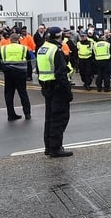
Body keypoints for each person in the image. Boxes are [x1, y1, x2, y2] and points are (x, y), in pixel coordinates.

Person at [36, 26, 74, 157]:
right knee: (59, 119)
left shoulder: (42, 48)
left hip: (47, 87)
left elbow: (38, 68)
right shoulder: (56, 50)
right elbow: (61, 73)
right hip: (57, 88)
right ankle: (56, 148)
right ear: (59, 36)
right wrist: (67, 92)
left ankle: (49, 146)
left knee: (50, 118)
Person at [0, 33, 32, 121]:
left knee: (9, 95)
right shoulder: (23, 48)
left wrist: (2, 68)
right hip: (21, 73)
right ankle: (27, 113)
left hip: (8, 73)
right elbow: (29, 59)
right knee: (23, 93)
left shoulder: (4, 48)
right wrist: (28, 74)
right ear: (18, 40)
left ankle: (11, 115)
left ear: (10, 40)